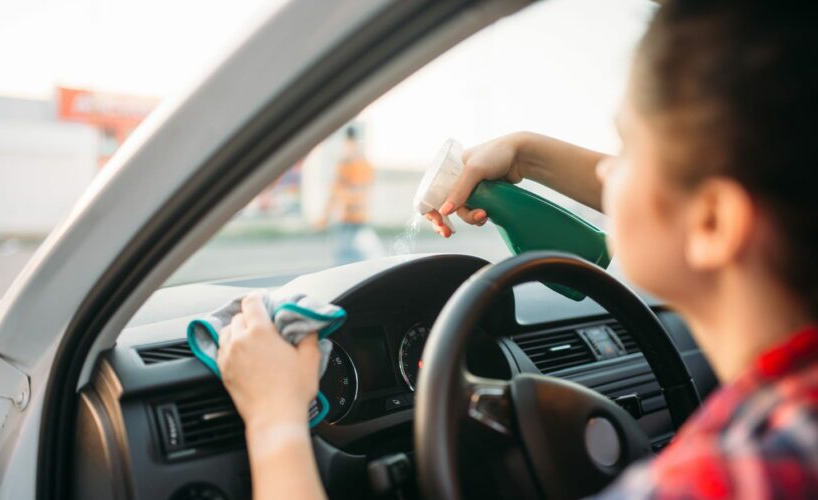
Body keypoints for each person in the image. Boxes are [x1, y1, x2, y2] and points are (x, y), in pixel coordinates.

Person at [217, 1, 818, 498]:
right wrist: (527, 155)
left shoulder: (717, 483)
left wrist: (275, 424)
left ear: (712, 222)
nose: (607, 172)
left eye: (627, 148)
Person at [318, 125, 380, 264]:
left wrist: (325, 216)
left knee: (347, 258)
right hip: (353, 218)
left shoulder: (352, 165)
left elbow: (335, 193)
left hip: (352, 218)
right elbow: (337, 192)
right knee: (357, 257)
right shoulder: (360, 165)